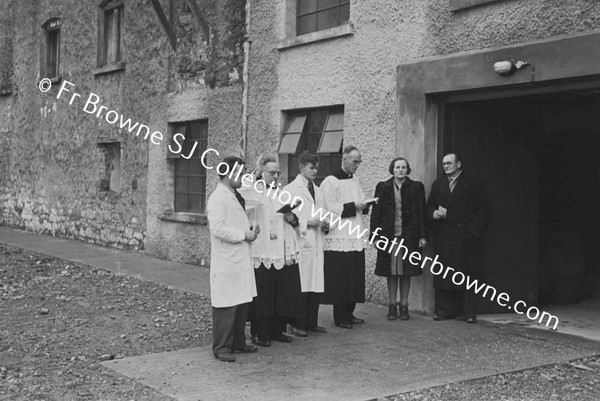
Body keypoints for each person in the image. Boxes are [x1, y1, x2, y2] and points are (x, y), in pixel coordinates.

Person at [240, 156, 302, 346]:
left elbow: (292, 219)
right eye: (271, 173)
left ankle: (278, 330)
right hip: (262, 249)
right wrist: (256, 175)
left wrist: (292, 217)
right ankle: (260, 332)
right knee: (264, 292)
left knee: (281, 292)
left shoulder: (281, 193)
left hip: (281, 249)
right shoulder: (253, 191)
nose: (275, 176)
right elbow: (244, 195)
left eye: (278, 173)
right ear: (261, 172)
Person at [206, 156, 260, 362]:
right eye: (240, 173)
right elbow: (217, 228)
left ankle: (238, 342)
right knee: (226, 305)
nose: (243, 176)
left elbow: (235, 221)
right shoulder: (218, 198)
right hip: (227, 260)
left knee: (240, 302)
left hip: (239, 258)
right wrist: (243, 235)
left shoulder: (234, 195)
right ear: (227, 174)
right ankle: (221, 347)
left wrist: (250, 232)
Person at [426, 153, 490, 323]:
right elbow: (430, 204)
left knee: (467, 276)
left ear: (459, 164)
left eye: (449, 163)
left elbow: (482, 210)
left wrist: (471, 231)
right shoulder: (438, 184)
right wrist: (432, 213)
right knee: (444, 275)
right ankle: (443, 311)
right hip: (444, 236)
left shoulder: (473, 183)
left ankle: (469, 312)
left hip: (464, 236)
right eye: (444, 164)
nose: (446, 166)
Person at [370, 157, 427, 320]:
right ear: (392, 169)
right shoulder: (383, 187)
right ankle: (392, 305)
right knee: (391, 272)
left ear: (407, 170)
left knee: (405, 272)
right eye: (397, 167)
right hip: (389, 236)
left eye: (403, 167)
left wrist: (423, 235)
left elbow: (421, 212)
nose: (400, 170)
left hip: (409, 236)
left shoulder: (416, 187)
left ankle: (404, 305)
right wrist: (374, 235)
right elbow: (376, 213)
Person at [320, 146, 370, 329]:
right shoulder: (331, 181)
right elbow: (329, 207)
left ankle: (350, 312)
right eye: (355, 161)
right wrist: (354, 205)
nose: (357, 165)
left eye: (359, 161)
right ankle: (340, 316)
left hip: (355, 233)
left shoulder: (355, 180)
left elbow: (360, 200)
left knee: (353, 276)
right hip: (339, 234)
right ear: (344, 159)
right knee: (340, 278)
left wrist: (365, 204)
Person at [284, 151, 329, 336]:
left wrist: (326, 223)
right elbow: (287, 216)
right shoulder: (290, 189)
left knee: (315, 283)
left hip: (316, 240)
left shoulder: (317, 190)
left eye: (316, 167)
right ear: (301, 167)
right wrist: (307, 222)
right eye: (311, 167)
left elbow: (324, 212)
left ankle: (311, 322)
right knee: (302, 284)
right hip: (302, 241)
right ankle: (296, 323)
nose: (315, 171)